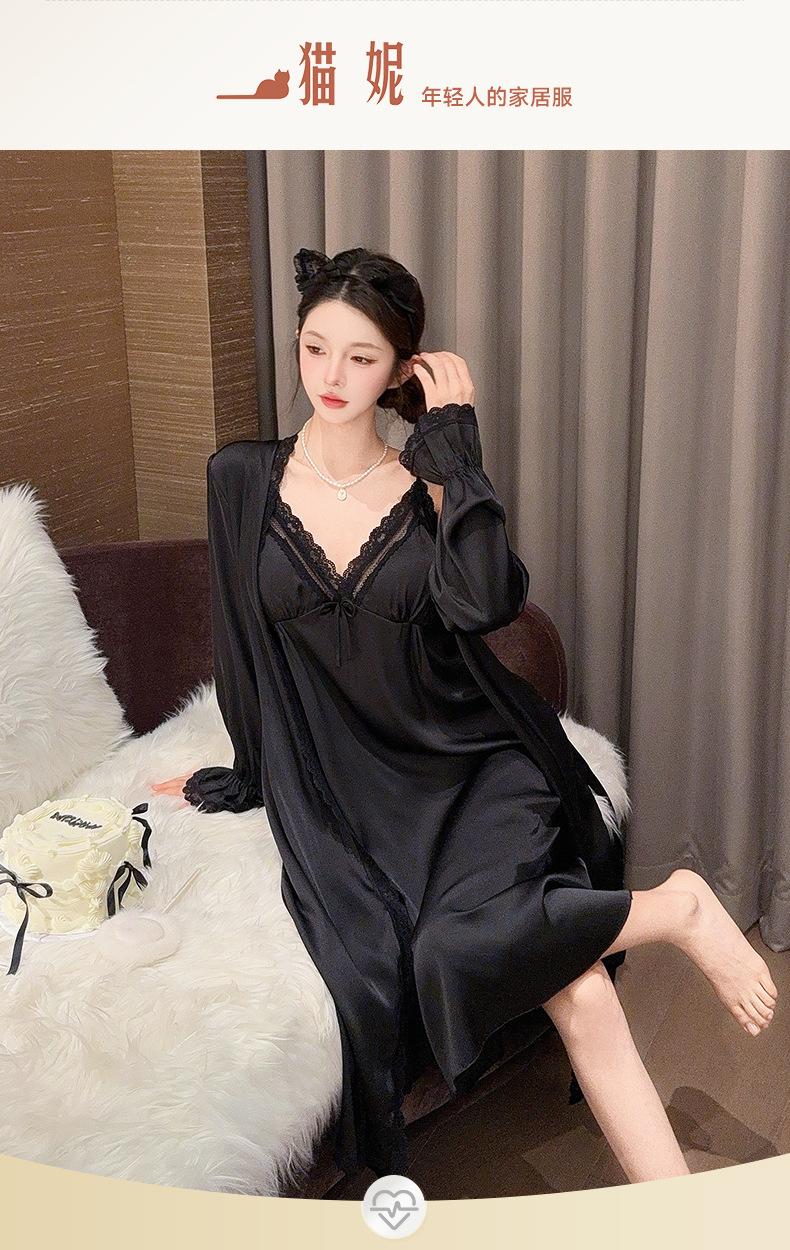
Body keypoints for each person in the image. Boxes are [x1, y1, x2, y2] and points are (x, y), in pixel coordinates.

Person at [153, 246, 778, 1187]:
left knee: (492, 952)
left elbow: (487, 605)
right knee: (550, 977)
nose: (330, 375)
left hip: (469, 760)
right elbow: (241, 639)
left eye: (360, 357)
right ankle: (676, 921)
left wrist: (454, 452)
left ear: (401, 370)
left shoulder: (428, 484)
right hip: (352, 791)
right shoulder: (239, 477)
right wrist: (248, 772)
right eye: (314, 348)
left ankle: (680, 938)